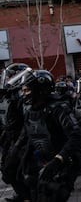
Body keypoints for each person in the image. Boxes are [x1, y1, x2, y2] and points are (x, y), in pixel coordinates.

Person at [16, 69, 81, 201]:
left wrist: (59, 159)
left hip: (67, 159)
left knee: (54, 194)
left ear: (40, 90)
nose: (23, 95)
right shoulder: (31, 111)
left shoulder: (58, 108)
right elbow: (31, 136)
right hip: (47, 158)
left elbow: (76, 135)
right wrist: (24, 159)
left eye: (27, 90)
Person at [0, 63, 31, 201]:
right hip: (10, 138)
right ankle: (23, 195)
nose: (7, 79)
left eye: (12, 76)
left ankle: (29, 195)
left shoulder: (23, 96)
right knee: (7, 171)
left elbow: (28, 122)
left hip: (23, 140)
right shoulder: (8, 96)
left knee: (24, 172)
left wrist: (18, 144)